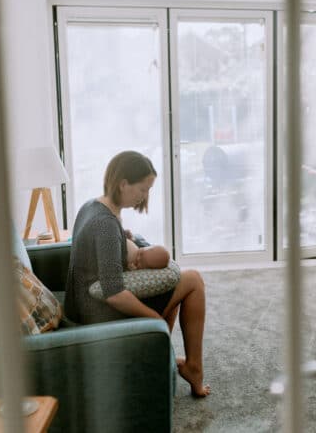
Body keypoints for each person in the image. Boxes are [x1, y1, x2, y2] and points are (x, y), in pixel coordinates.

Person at [65, 151, 210, 397]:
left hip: (79, 304)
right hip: (95, 312)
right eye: (143, 189)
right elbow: (114, 293)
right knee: (193, 280)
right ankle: (193, 367)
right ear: (123, 184)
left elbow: (101, 253)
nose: (145, 196)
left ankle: (157, 353)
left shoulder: (92, 206)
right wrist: (154, 317)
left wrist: (125, 239)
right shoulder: (105, 224)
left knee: (172, 286)